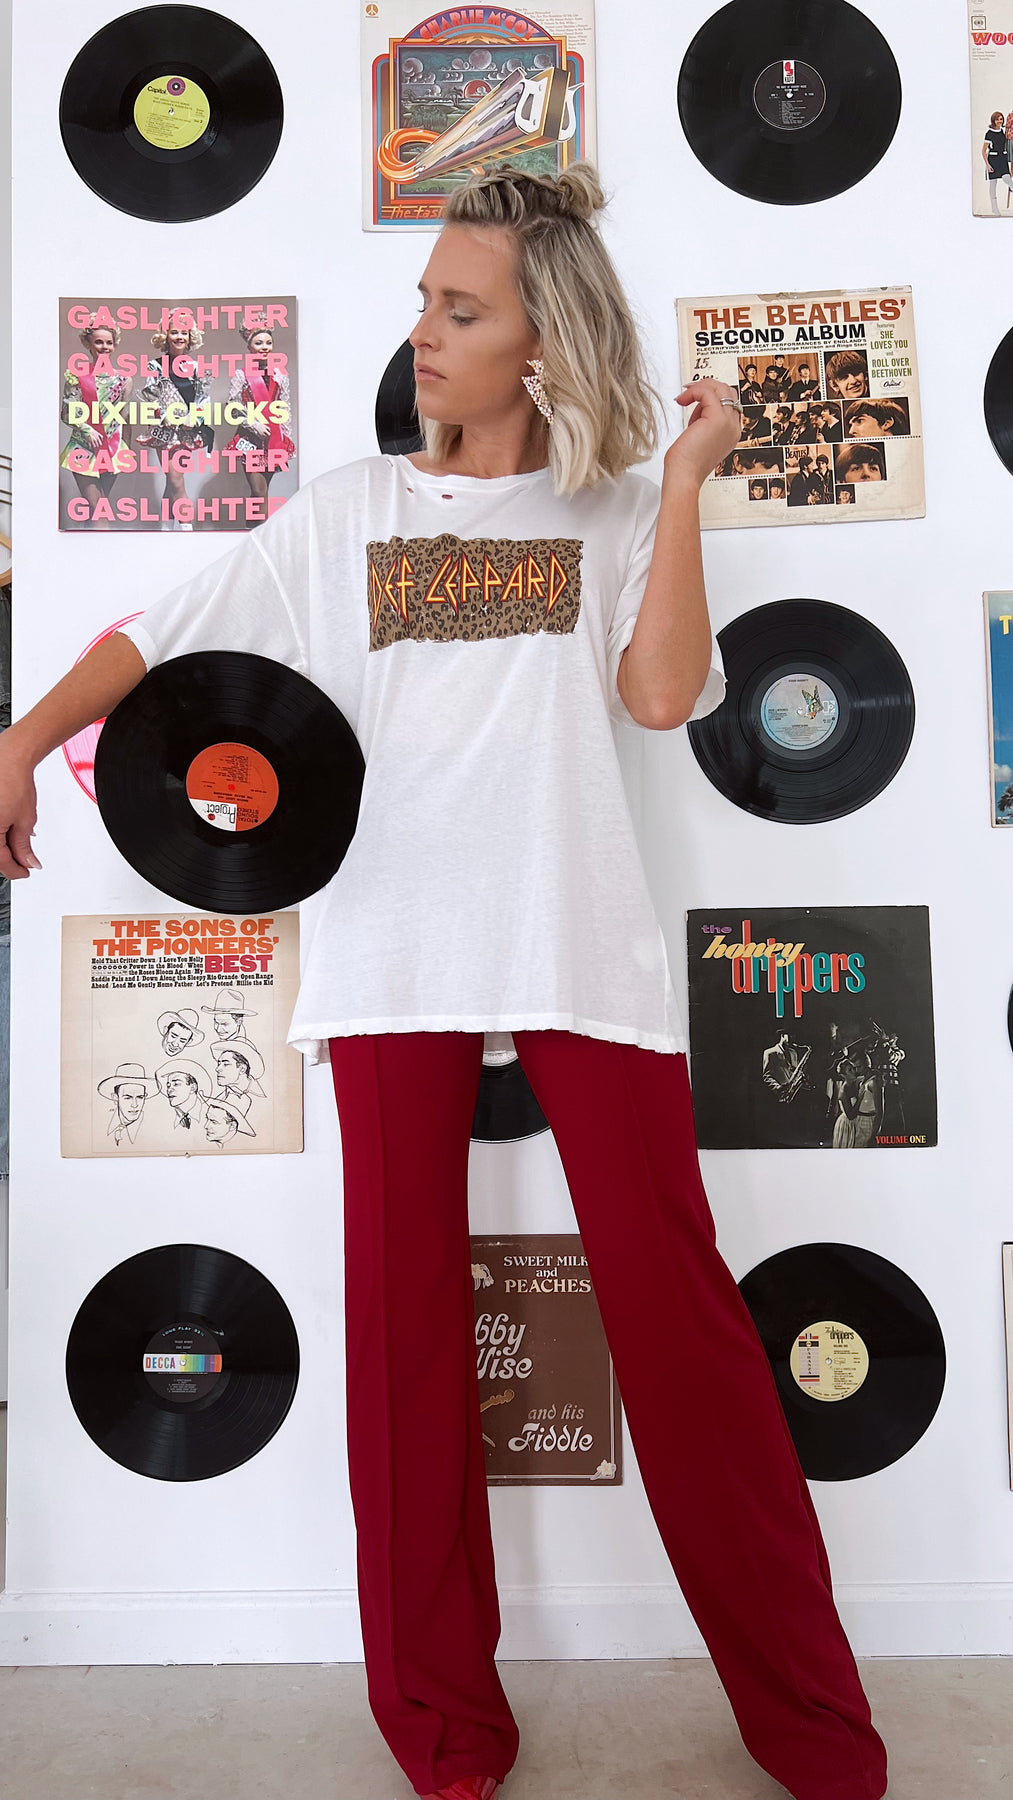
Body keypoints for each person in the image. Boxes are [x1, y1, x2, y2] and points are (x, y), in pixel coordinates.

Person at [0, 158, 888, 1800]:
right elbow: (160, 633)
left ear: (541, 342)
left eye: (459, 311)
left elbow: (661, 696)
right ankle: (443, 1726)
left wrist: (684, 485)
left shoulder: (609, 512)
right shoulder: (347, 513)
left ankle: (814, 1727)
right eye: (423, 302)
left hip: (573, 938)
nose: (421, 333)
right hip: (392, 946)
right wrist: (20, 737)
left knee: (680, 1323)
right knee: (404, 1343)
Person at [136, 309, 216, 531]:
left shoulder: (198, 367)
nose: (179, 337)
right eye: (174, 332)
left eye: (184, 332)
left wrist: (194, 417)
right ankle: (187, 529)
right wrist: (165, 417)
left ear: (190, 336)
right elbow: (150, 398)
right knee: (175, 480)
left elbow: (203, 399)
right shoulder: (155, 366)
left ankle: (166, 526)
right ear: (166, 335)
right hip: (164, 431)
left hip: (187, 431)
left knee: (173, 480)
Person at [58, 312, 135, 531]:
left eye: (109, 342)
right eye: (99, 342)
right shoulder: (76, 376)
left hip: (112, 450)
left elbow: (124, 417)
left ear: (115, 345)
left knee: (97, 509)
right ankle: (106, 550)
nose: (104, 347)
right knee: (100, 510)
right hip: (83, 447)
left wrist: (127, 449)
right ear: (88, 344)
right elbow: (67, 412)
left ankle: (86, 546)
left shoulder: (124, 380)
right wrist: (86, 430)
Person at [982, 110, 1013, 213]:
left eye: (1001, 119)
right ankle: (995, 209)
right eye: (997, 119)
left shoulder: (1002, 132)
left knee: (1007, 178)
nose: (1000, 121)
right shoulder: (989, 134)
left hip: (1002, 159)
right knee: (993, 184)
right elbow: (983, 151)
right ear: (993, 121)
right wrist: (987, 165)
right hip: (993, 160)